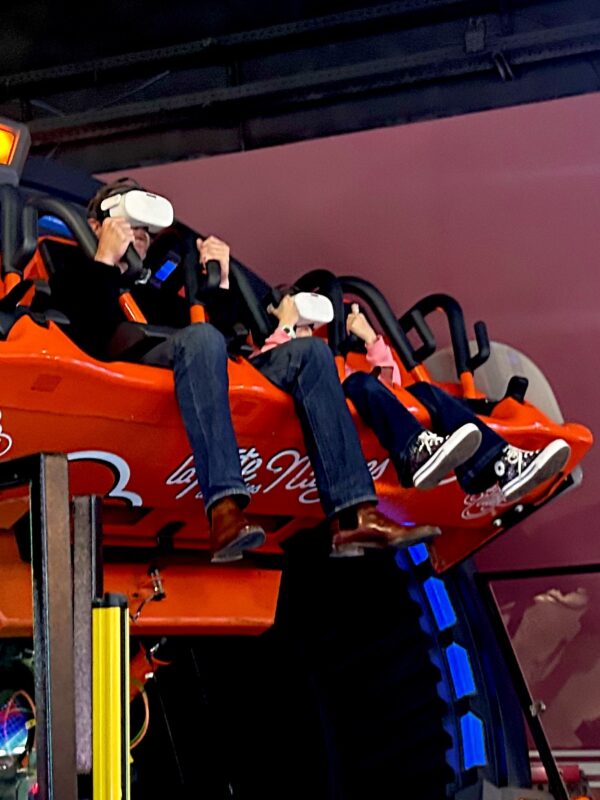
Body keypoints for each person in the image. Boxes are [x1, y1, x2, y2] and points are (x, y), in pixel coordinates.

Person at [52, 178, 442, 562]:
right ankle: (224, 509)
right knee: (201, 337)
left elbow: (225, 340)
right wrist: (105, 260)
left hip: (200, 365)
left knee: (310, 352)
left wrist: (221, 282)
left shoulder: (156, 291)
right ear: (97, 225)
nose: (138, 235)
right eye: (129, 225)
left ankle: (355, 514)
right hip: (129, 365)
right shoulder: (72, 271)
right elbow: (92, 332)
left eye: (144, 231)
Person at [340, 304, 571, 502]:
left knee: (423, 390)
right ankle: (415, 451)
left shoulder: (358, 360)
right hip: (341, 424)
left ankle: (500, 463)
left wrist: (370, 339)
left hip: (385, 423)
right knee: (357, 382)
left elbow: (393, 387)